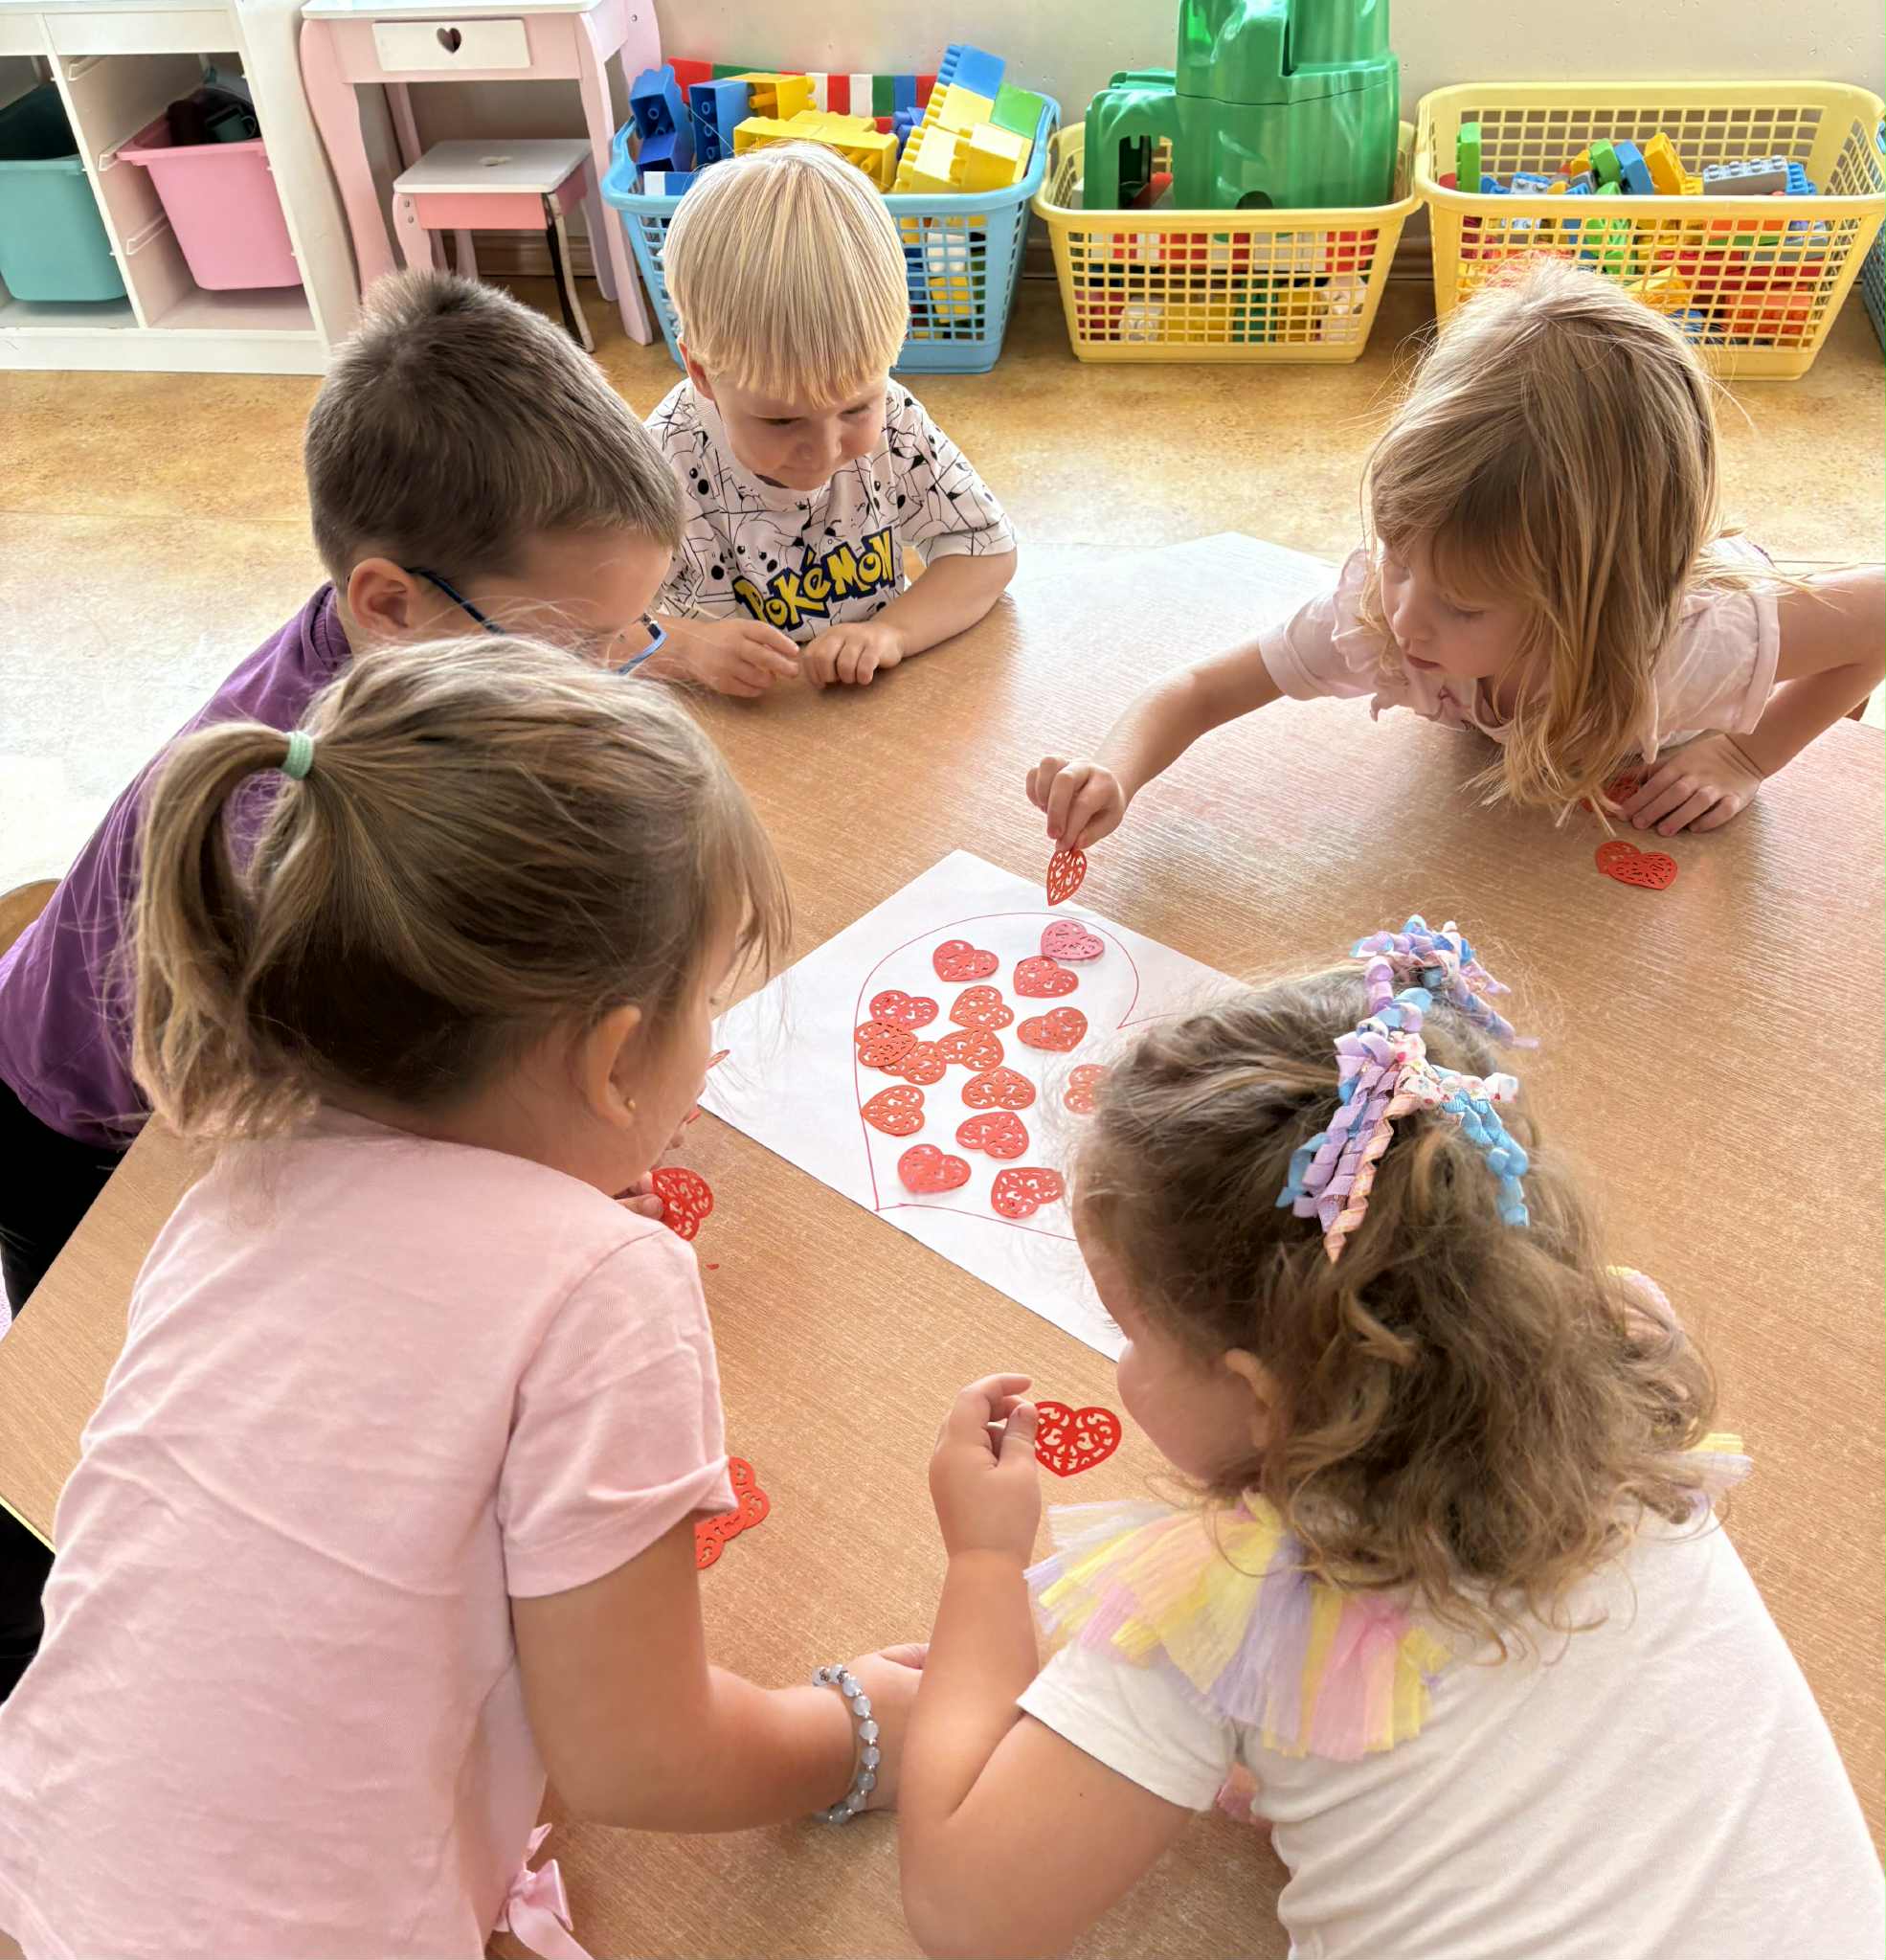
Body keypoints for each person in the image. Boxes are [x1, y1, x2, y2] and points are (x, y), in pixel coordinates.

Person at [0, 640, 923, 1960]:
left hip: (44, 1865)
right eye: (710, 1001)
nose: (715, 1043)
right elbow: (639, 1756)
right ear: (614, 1056)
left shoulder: (239, 1179)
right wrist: (860, 1731)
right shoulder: (607, 1284)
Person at [900, 919, 1885, 1959]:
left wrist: (984, 1563)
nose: (1120, 1361)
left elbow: (965, 1913)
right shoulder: (1624, 1375)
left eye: (1130, 1332)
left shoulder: (1230, 1594)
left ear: (1261, 1398)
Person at [1025, 261, 1885, 852]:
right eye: (1399, 558)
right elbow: (1199, 688)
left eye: (1464, 605)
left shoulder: (1694, 643)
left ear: (1585, 608)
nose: (1406, 619)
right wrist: (1115, 772)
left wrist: (1748, 756)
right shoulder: (1379, 619)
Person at [646, 143, 1018, 696]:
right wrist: (685, 649)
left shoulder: (895, 419)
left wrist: (893, 632)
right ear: (700, 372)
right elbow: (577, 626)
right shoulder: (659, 461)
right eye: (780, 422)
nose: (823, 452)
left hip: (867, 719)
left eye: (855, 408)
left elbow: (986, 550)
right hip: (726, 728)